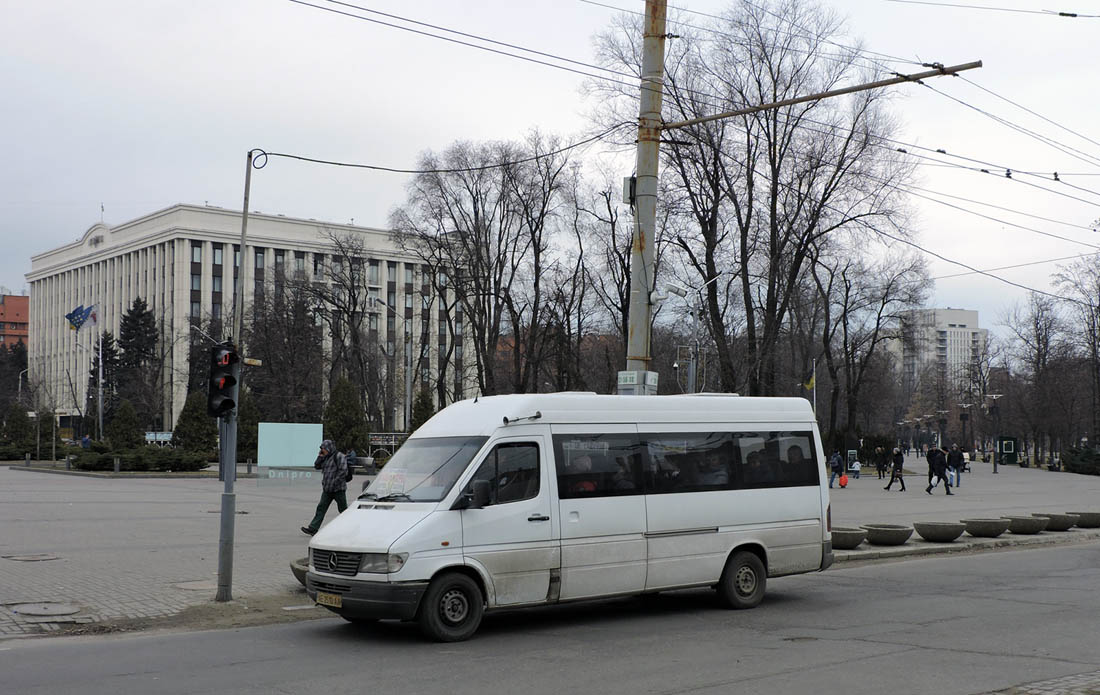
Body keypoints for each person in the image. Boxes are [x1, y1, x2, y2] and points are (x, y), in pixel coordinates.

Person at [301, 439, 349, 536]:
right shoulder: (325, 457)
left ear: (329, 448)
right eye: (322, 449)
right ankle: (313, 528)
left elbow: (344, 471)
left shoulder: (339, 456)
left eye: (324, 449)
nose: (323, 451)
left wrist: (335, 482)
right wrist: (320, 456)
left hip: (338, 489)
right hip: (327, 489)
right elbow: (317, 466)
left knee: (343, 510)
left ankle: (350, 526)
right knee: (321, 508)